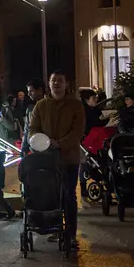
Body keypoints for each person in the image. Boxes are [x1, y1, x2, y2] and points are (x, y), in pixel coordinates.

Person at [29, 70, 85, 249]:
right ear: (49, 84)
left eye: (60, 81)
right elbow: (33, 129)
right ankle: (54, 228)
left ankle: (70, 234)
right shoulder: (41, 105)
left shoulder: (76, 105)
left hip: (69, 159)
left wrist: (59, 143)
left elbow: (78, 132)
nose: (56, 84)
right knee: (51, 196)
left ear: (66, 84)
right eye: (53, 81)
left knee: (69, 196)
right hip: (46, 160)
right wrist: (42, 142)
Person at [22, 78, 46, 155]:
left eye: (31, 91)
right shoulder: (30, 109)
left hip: (46, 148)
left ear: (40, 90)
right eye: (28, 92)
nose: (29, 94)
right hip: (33, 148)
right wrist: (24, 146)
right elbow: (27, 129)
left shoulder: (49, 107)